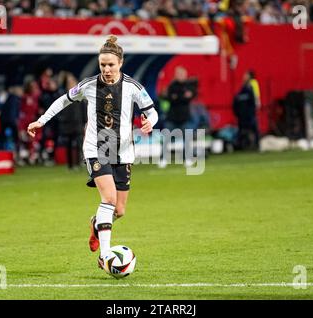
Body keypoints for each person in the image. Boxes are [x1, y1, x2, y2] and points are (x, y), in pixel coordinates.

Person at [26, 35, 158, 269]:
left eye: (110, 65)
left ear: (121, 63)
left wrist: (150, 123)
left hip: (124, 152)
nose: (106, 69)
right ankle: (106, 256)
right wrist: (41, 120)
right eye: (102, 65)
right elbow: (63, 100)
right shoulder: (88, 85)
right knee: (108, 198)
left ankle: (97, 223)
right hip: (96, 149)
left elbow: (152, 111)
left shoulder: (133, 87)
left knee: (119, 210)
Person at [159, 66, 197, 168]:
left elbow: (190, 96)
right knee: (166, 138)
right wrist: (181, 97)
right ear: (175, 75)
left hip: (185, 117)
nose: (180, 76)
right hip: (172, 117)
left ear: (185, 75)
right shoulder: (172, 86)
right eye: (178, 74)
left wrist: (176, 97)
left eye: (182, 74)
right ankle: (163, 159)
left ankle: (188, 159)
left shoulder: (189, 85)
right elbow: (168, 97)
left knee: (188, 139)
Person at [56, 72, 87, 170]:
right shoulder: (64, 96)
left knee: (79, 143)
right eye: (70, 82)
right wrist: (63, 120)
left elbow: (84, 109)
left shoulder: (80, 95)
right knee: (69, 144)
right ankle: (70, 165)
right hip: (68, 124)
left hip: (78, 123)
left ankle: (78, 163)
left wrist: (85, 121)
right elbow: (59, 110)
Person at [233, 70, 260, 150]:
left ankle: (256, 145)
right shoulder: (242, 89)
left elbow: (255, 98)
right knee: (243, 129)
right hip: (243, 114)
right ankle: (241, 145)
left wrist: (254, 109)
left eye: (246, 75)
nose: (244, 77)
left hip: (250, 113)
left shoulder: (252, 84)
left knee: (253, 128)